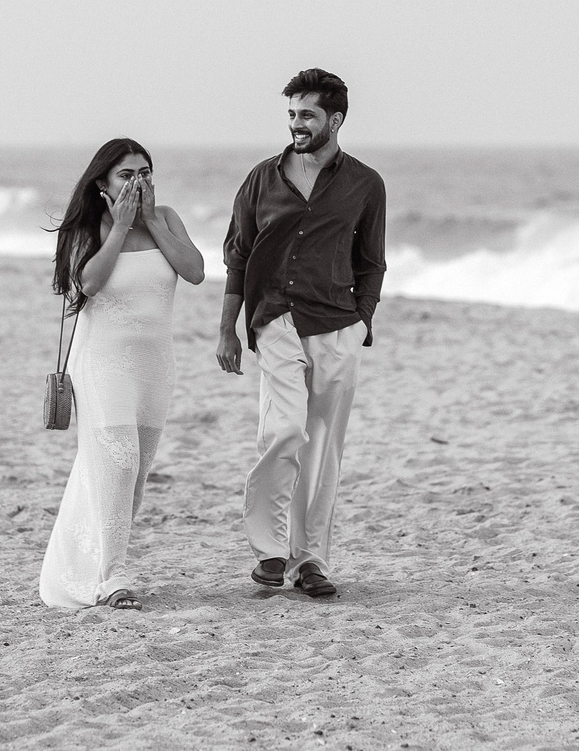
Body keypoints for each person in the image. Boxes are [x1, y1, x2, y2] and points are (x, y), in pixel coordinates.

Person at [216, 69, 386, 600]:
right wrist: (229, 329)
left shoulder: (365, 184)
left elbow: (371, 262)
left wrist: (363, 321)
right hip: (275, 320)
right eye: (291, 114)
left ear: (335, 120)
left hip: (338, 326)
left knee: (324, 449)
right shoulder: (262, 178)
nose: (296, 124)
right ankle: (270, 550)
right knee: (284, 430)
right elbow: (238, 254)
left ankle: (309, 559)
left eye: (307, 114)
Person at [38, 138, 205, 610]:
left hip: (155, 365)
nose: (139, 181)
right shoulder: (87, 226)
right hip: (102, 362)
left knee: (133, 474)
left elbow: (193, 271)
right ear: (102, 184)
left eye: (145, 172)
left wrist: (150, 220)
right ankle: (113, 576)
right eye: (127, 174)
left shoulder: (166, 218)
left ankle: (94, 565)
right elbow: (86, 284)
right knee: (119, 460)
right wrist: (121, 228)